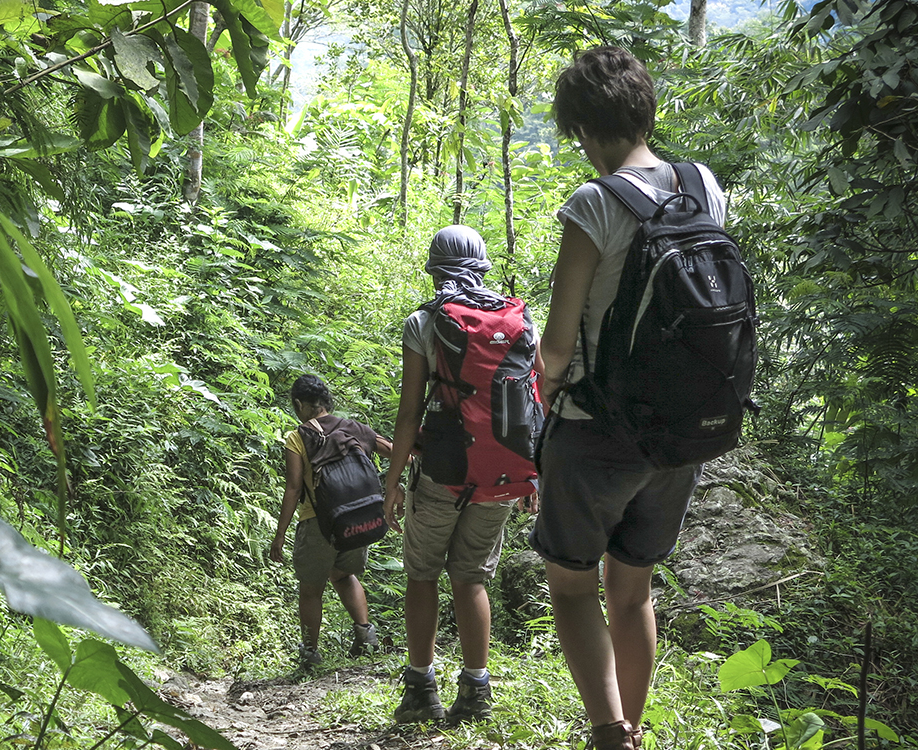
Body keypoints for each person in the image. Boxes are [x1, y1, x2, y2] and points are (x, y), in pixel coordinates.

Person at [531, 46, 729, 750]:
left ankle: (609, 732)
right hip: (683, 432)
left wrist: (535, 416)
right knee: (635, 588)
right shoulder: (703, 184)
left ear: (583, 127)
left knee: (574, 587)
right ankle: (635, 731)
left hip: (595, 432)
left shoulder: (595, 202)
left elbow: (556, 351)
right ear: (645, 108)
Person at [380, 225, 541, 726]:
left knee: (422, 574)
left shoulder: (424, 323)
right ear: (482, 266)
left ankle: (421, 690)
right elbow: (539, 397)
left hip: (442, 474)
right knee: (472, 579)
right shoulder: (521, 320)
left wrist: (392, 481)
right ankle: (475, 692)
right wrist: (534, 473)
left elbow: (409, 414)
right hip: (501, 475)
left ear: (434, 270)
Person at [268, 374, 393, 669]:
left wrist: (280, 533)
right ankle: (367, 638)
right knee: (344, 575)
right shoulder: (355, 428)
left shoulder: (298, 437)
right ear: (326, 402)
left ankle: (310, 654)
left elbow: (294, 488)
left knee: (311, 588)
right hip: (357, 518)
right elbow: (398, 453)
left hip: (318, 523)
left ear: (300, 404)